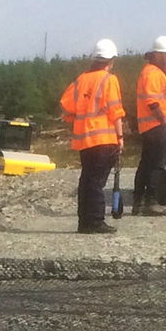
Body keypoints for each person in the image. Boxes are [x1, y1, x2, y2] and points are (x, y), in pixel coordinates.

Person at [59, 39, 125, 234]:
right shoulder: (109, 79)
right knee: (96, 182)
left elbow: (66, 106)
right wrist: (120, 136)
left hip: (85, 140)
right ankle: (96, 221)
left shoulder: (81, 80)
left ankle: (84, 222)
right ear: (111, 60)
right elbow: (115, 111)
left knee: (87, 180)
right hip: (105, 140)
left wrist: (78, 118)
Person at [132, 36, 166, 216]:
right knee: (156, 165)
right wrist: (164, 121)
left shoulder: (154, 72)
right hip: (156, 126)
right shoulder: (152, 73)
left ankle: (138, 202)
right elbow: (152, 101)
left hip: (151, 127)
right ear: (157, 54)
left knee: (146, 164)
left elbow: (157, 90)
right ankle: (151, 202)